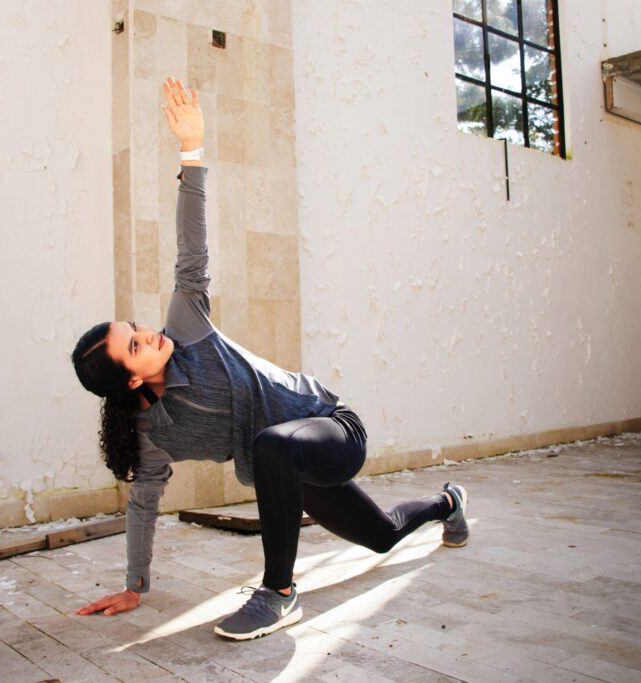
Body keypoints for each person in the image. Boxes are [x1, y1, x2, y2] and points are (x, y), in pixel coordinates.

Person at [71, 77, 469, 641]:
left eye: (134, 326)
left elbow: (191, 249)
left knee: (268, 446)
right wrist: (135, 586)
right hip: (286, 469)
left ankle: (279, 593)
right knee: (380, 535)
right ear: (130, 378)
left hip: (331, 429)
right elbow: (143, 502)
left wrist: (191, 151)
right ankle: (449, 502)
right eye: (134, 344)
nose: (146, 332)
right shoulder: (150, 431)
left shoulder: (185, 324)